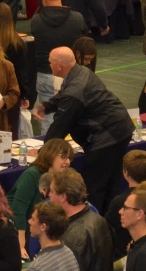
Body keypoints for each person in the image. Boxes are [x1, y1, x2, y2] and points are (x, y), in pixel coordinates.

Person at [38, 46, 134, 210]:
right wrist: (47, 106)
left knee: (94, 186)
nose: (50, 66)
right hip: (121, 128)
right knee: (112, 182)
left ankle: (92, 221)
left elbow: (60, 126)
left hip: (107, 136)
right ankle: (110, 222)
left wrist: (44, 153)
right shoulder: (81, 71)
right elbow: (64, 95)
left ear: (59, 66)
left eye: (51, 63)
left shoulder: (75, 89)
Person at [29, 0, 88, 128]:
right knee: (73, 118)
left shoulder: (36, 21)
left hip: (46, 74)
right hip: (71, 76)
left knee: (48, 121)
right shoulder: (78, 19)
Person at [7, 137, 73, 259]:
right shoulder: (32, 175)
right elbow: (18, 211)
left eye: (69, 158)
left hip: (38, 227)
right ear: (50, 156)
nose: (68, 162)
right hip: (20, 227)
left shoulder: (60, 177)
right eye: (63, 157)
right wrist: (20, 245)